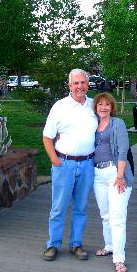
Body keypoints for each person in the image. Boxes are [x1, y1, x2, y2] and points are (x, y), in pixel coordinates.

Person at [42, 69, 98, 261]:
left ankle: (76, 244)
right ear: (69, 85)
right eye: (76, 83)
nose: (80, 86)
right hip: (63, 164)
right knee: (58, 207)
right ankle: (53, 244)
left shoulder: (94, 106)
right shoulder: (60, 107)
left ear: (87, 84)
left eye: (83, 82)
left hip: (87, 164)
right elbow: (47, 136)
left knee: (81, 207)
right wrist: (54, 160)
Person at [92, 93, 133, 272]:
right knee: (105, 215)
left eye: (107, 104)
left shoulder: (118, 124)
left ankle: (119, 259)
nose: (103, 107)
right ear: (96, 107)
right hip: (97, 174)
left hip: (115, 173)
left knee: (117, 218)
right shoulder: (93, 124)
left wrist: (120, 175)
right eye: (100, 104)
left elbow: (123, 150)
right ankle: (109, 245)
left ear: (112, 107)